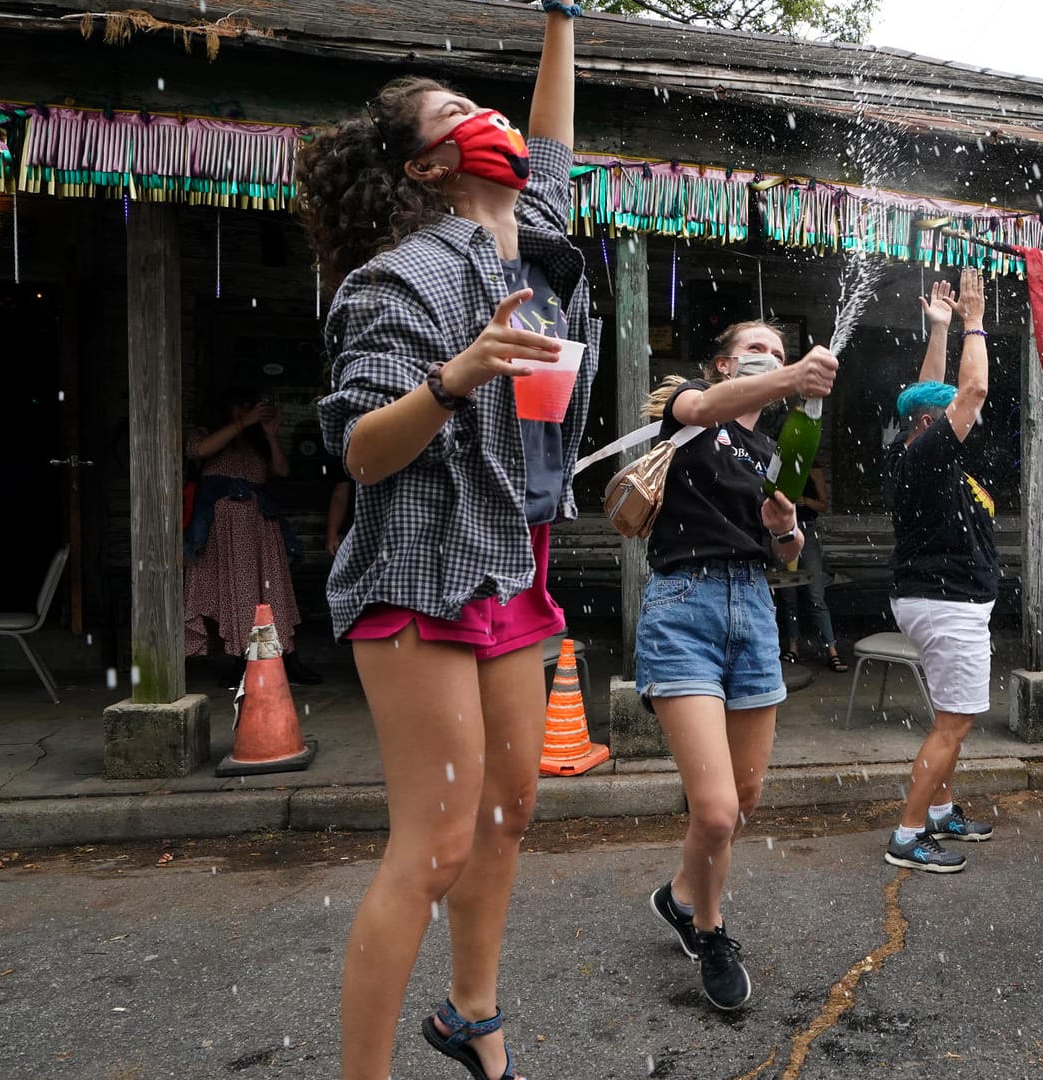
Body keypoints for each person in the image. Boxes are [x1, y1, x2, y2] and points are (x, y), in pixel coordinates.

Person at [297, 6, 595, 1079]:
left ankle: (469, 1020)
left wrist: (560, 18)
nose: (495, 121)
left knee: (511, 810)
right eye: (462, 114)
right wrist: (456, 376)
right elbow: (364, 454)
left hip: (512, 553)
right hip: (420, 567)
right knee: (434, 847)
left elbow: (551, 138)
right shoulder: (397, 280)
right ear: (427, 169)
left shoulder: (538, 233)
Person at [638, 322, 839, 1009]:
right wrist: (793, 378)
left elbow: (784, 551)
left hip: (753, 612)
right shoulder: (692, 402)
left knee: (743, 800)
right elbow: (700, 410)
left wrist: (786, 525)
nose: (771, 359)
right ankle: (710, 929)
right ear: (724, 362)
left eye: (779, 354)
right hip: (683, 605)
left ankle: (679, 894)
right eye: (757, 350)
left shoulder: (773, 451)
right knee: (717, 812)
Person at [882, 269, 997, 874]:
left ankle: (941, 812)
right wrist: (975, 321)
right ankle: (906, 835)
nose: (962, 414)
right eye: (946, 412)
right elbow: (970, 392)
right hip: (946, 602)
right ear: (930, 425)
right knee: (955, 722)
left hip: (937, 597)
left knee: (950, 715)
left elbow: (927, 391)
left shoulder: (911, 449)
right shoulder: (926, 455)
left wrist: (940, 328)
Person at [182, 387, 319, 685]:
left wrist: (270, 434)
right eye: (240, 407)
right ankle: (239, 659)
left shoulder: (257, 442)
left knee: (272, 593)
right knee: (235, 592)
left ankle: (286, 658)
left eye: (250, 407)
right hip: (223, 529)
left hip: (261, 527)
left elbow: (282, 471)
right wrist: (242, 423)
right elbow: (198, 450)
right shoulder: (204, 432)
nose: (246, 412)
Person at [775, 465, 847, 672]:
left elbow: (824, 505)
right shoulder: (779, 468)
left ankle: (831, 649)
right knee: (787, 593)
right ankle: (793, 647)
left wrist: (804, 501)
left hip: (807, 528)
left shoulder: (812, 470)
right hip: (783, 529)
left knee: (815, 593)